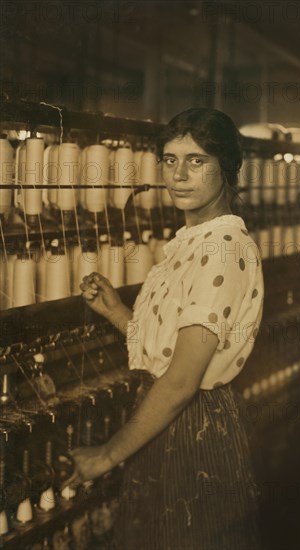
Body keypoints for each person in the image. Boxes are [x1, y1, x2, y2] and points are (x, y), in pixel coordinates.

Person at [69, 108, 264, 550]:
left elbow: (179, 382)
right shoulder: (190, 243)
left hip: (192, 431)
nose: (178, 174)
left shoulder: (222, 246)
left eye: (196, 161)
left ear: (227, 168)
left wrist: (106, 454)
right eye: (170, 159)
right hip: (167, 425)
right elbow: (173, 350)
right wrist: (118, 313)